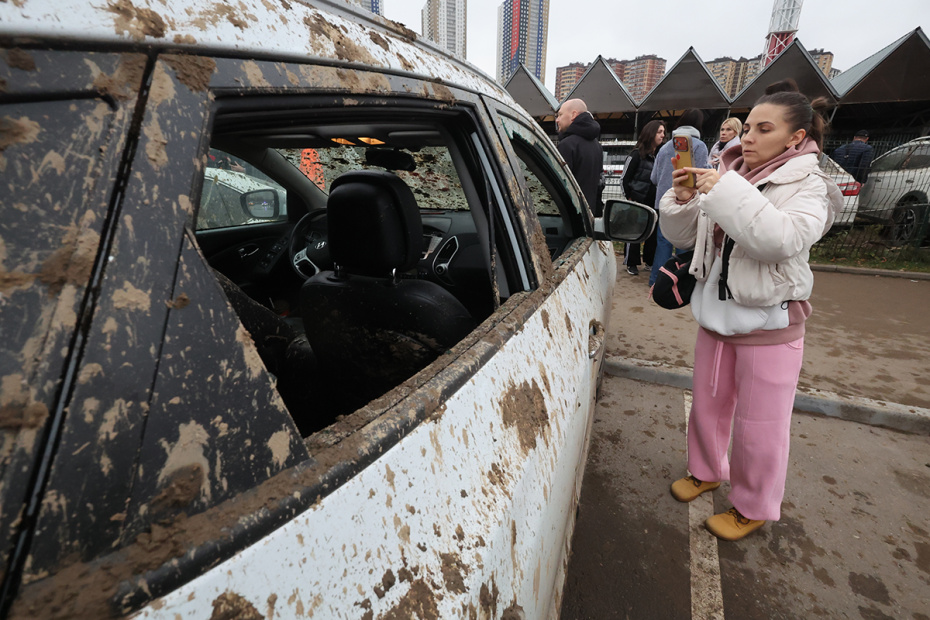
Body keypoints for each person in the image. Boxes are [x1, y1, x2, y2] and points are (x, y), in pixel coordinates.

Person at [659, 79, 842, 541]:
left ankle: (753, 505)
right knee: (707, 404)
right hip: (717, 315)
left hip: (770, 322)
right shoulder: (729, 172)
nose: (748, 138)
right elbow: (685, 239)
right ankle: (706, 470)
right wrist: (683, 200)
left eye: (763, 129)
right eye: (749, 128)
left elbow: (779, 239)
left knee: (761, 425)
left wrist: (724, 190)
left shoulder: (809, 184)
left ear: (796, 137)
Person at [648, 109, 708, 287]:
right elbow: (701, 177)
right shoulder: (699, 146)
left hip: (664, 202)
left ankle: (656, 282)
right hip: (688, 202)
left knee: (663, 242)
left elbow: (653, 178)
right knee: (685, 244)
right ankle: (680, 284)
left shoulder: (665, 147)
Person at [621, 120, 666, 275]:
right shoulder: (636, 154)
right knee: (634, 232)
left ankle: (649, 261)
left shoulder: (660, 156)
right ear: (651, 133)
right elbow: (624, 179)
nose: (663, 135)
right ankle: (631, 262)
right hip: (638, 199)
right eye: (659, 132)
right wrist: (630, 198)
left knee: (652, 233)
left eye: (663, 132)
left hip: (654, 200)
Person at [556, 98, 604, 216]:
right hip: (590, 214)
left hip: (571, 217)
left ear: (573, 115)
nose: (557, 120)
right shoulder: (597, 146)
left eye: (560, 115)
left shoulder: (567, 145)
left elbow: (560, 186)